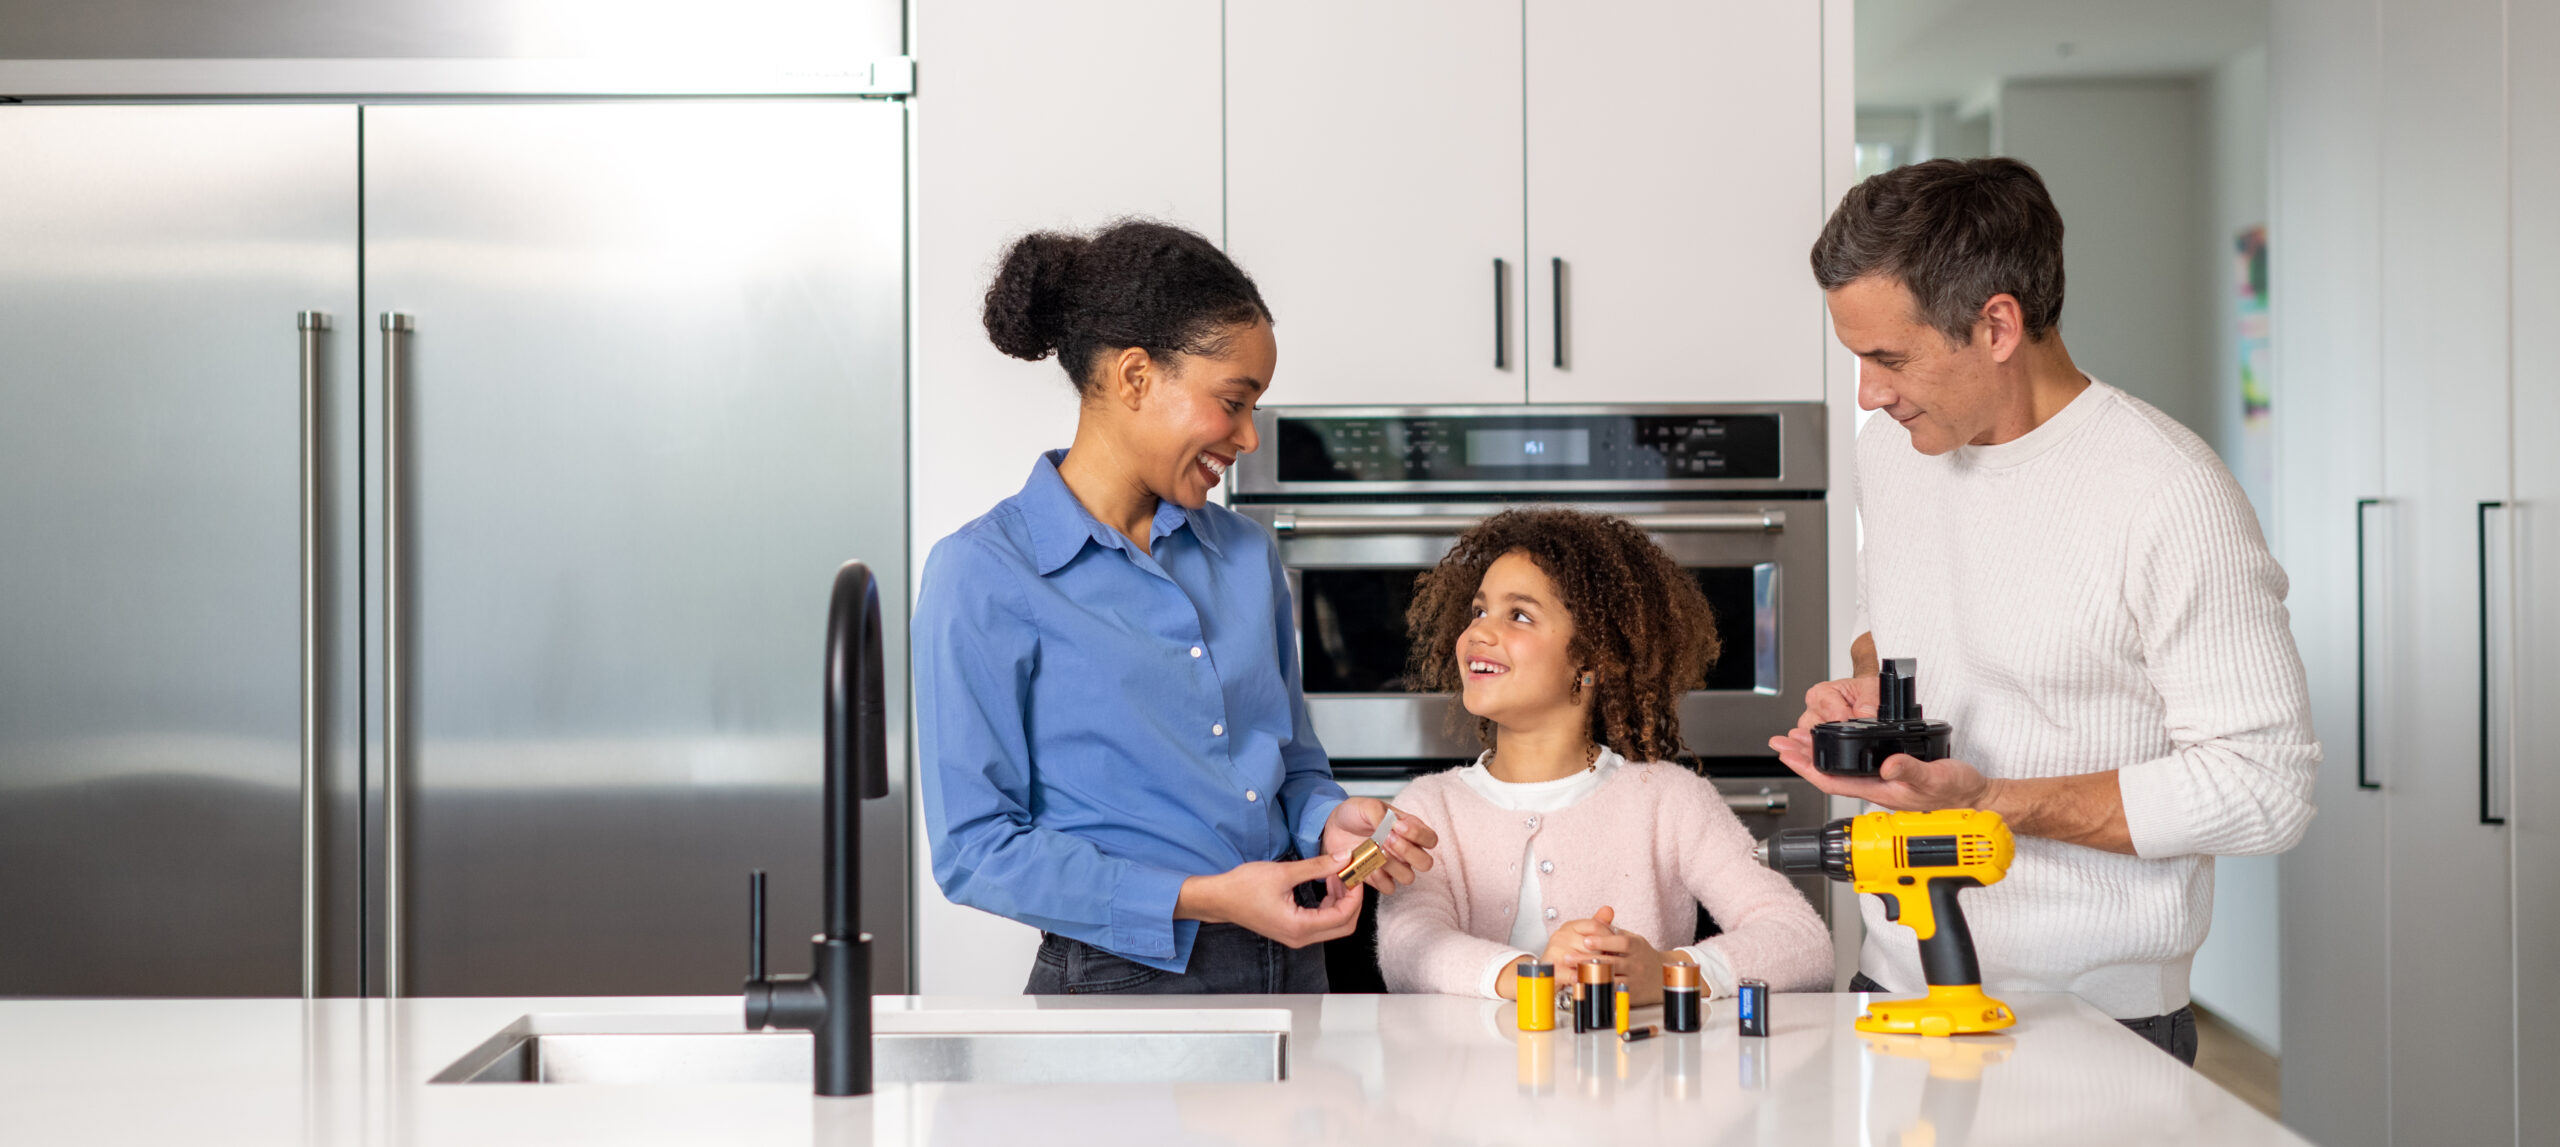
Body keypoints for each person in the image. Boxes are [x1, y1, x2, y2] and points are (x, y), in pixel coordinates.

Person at [1770, 158, 2319, 1063]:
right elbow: (1897, 619)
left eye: (1888, 357)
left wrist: (1994, 803)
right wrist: (1871, 692)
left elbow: (2265, 788)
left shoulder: (2168, 494)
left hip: (2095, 1024)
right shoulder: (1895, 453)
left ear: (1996, 324)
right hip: (1892, 991)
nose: (1868, 392)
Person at [915, 219, 1437, 994]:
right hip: (1120, 981)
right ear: (1135, 377)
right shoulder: (987, 573)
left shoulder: (1246, 554)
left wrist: (1326, 818)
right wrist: (1202, 900)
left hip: (1291, 964)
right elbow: (978, 849)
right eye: (1234, 401)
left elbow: (1290, 761)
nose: (1250, 437)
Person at [1376, 508, 1831, 1005]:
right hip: (1476, 1083)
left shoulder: (1669, 801)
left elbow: (1802, 941)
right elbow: (1409, 949)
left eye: (1520, 615)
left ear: (1592, 659)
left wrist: (1666, 972)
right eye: (1479, 611)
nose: (1479, 633)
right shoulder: (1429, 807)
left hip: (1640, 1079)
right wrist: (1531, 975)